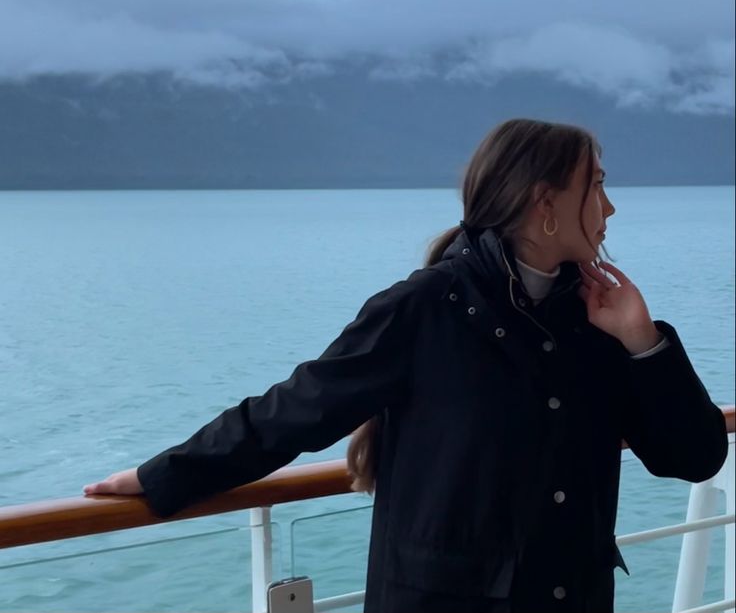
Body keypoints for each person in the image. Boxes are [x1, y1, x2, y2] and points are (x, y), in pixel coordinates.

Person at [83, 118, 728, 613]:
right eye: (599, 185)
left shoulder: (598, 320)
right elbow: (298, 410)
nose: (611, 207)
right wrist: (162, 475)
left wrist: (644, 342)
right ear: (545, 202)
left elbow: (694, 457)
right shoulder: (425, 308)